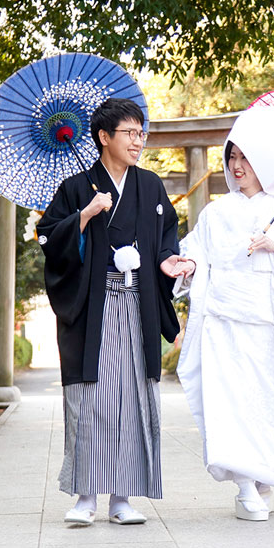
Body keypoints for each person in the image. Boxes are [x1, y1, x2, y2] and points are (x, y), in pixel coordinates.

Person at [37, 97, 188, 526]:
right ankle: (86, 497)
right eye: (130, 133)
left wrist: (167, 262)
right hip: (92, 306)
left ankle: (122, 498)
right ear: (104, 137)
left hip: (137, 302)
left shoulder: (151, 186)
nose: (139, 141)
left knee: (133, 398)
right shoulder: (74, 188)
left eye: (142, 133)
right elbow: (49, 238)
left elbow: (165, 239)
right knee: (91, 399)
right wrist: (84, 214)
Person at [174, 105, 274, 521]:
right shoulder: (217, 213)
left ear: (266, 162)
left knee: (267, 405)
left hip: (266, 325)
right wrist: (188, 266)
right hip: (224, 322)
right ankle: (243, 484)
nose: (237, 166)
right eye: (232, 156)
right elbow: (196, 253)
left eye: (246, 158)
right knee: (232, 404)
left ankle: (261, 479)